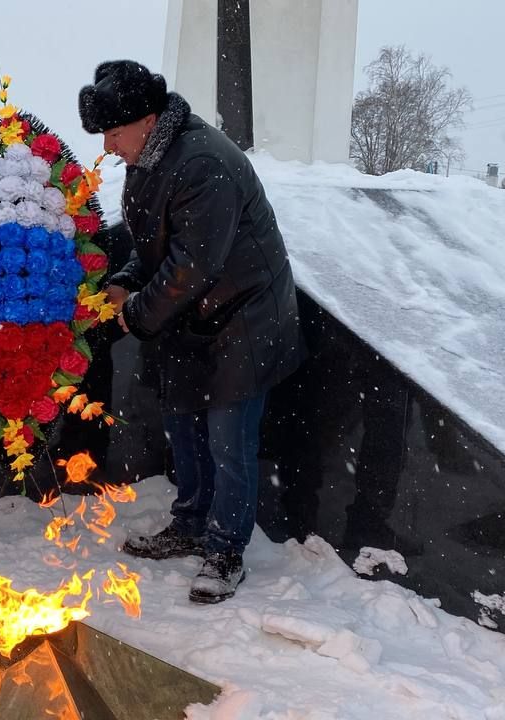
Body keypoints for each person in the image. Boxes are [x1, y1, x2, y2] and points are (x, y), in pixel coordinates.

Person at [78, 60, 304, 604]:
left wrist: (133, 313)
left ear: (147, 121)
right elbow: (153, 243)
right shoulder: (151, 156)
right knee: (182, 423)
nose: (109, 148)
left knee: (229, 442)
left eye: (113, 133)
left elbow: (192, 264)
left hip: (242, 320)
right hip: (191, 318)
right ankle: (191, 521)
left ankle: (225, 549)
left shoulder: (202, 163)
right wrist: (127, 279)